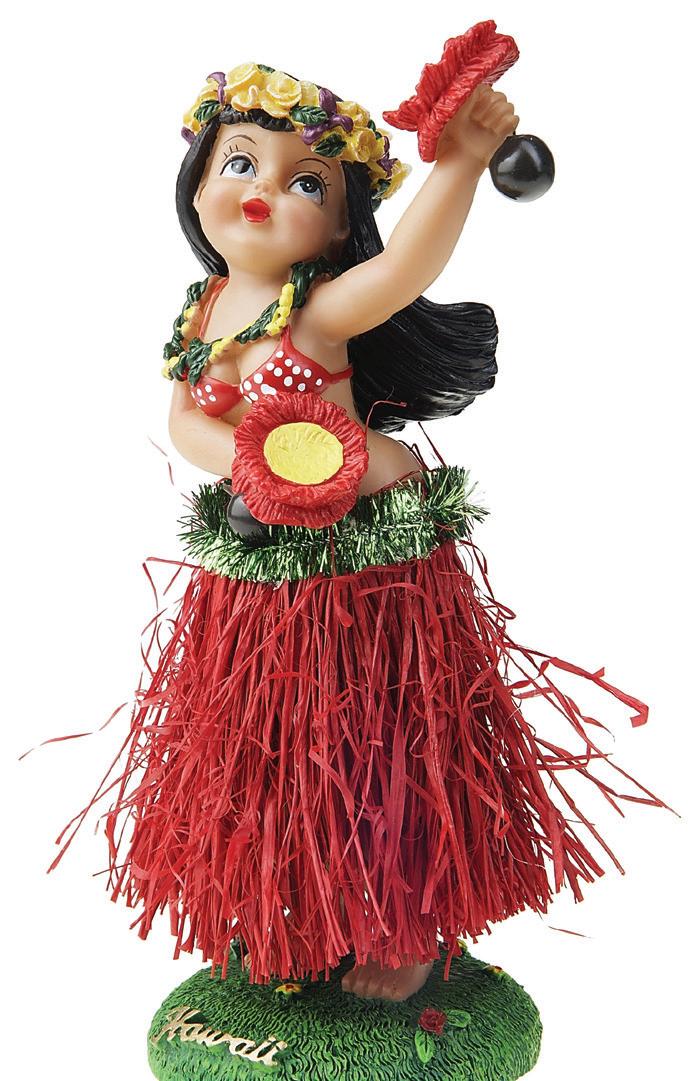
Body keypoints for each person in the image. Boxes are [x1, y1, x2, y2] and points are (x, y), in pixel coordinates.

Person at [50, 59, 668, 1005]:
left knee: (378, 747)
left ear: (338, 228)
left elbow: (406, 268)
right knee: (270, 759)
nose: (261, 191)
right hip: (261, 567)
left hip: (365, 575)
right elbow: (186, 424)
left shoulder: (318, 311)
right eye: (239, 163)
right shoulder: (202, 311)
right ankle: (295, 915)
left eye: (305, 183)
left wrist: (460, 162)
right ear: (197, 182)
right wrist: (251, 459)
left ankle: (404, 927)